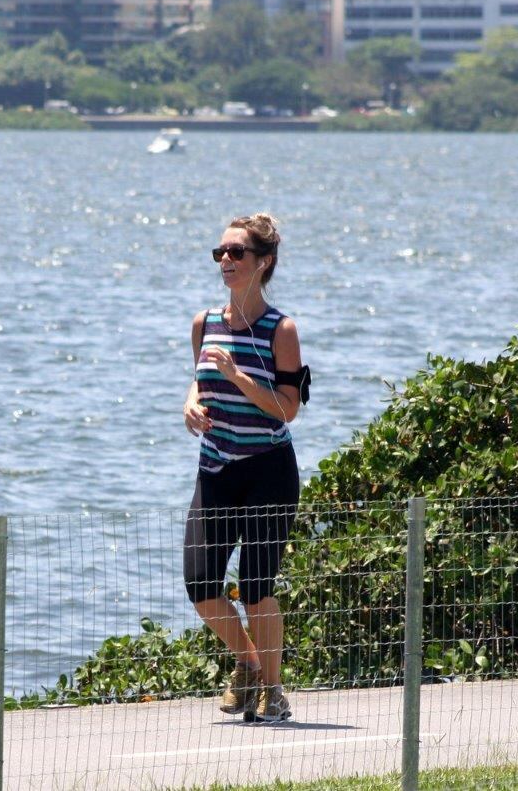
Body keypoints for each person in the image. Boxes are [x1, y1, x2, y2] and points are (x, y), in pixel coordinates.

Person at [182, 212, 310, 723]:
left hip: (268, 471)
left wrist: (237, 377)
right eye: (220, 253)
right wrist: (190, 403)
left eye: (237, 253)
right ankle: (249, 663)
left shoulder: (281, 329)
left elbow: (286, 408)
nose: (225, 261)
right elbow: (198, 379)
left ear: (264, 263)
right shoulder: (204, 322)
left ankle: (273, 691)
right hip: (215, 470)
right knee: (200, 585)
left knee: (257, 588)